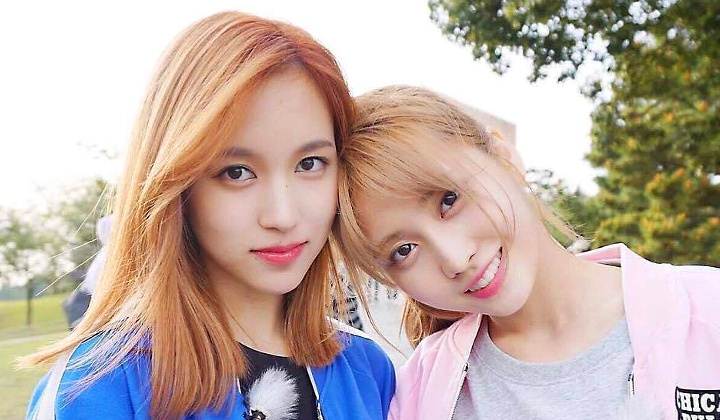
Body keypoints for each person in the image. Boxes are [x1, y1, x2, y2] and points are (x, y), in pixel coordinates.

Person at [22, 12, 394, 420]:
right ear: (177, 185)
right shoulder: (100, 386)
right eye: (237, 172)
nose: (283, 215)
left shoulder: (367, 370)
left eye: (309, 164)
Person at [334, 85, 720, 419]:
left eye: (449, 200)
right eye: (404, 250)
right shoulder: (419, 393)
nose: (455, 258)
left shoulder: (706, 308)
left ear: (504, 157)